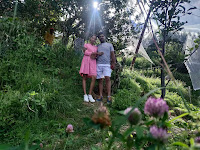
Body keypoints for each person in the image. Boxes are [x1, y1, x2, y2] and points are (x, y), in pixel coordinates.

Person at [79, 35, 104, 102]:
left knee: (94, 77)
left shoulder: (96, 47)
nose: (93, 39)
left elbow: (95, 55)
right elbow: (85, 52)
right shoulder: (86, 45)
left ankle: (90, 95)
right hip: (86, 61)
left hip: (93, 62)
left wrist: (96, 55)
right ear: (90, 38)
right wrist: (94, 53)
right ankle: (85, 94)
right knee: (84, 77)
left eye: (95, 39)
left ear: (96, 40)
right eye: (92, 38)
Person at [96, 32, 116, 104]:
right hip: (98, 64)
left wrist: (113, 63)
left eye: (102, 36)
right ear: (98, 38)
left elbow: (112, 54)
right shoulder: (97, 46)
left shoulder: (109, 45)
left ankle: (109, 96)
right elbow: (95, 55)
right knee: (100, 80)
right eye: (100, 37)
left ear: (105, 37)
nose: (101, 37)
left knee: (107, 79)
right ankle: (100, 96)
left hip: (107, 65)